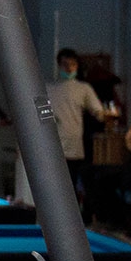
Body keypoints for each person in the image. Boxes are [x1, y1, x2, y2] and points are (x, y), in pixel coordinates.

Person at [47, 47, 111, 208]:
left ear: (77, 66)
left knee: (71, 185)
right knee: (54, 187)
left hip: (74, 145)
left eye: (73, 64)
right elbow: (41, 118)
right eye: (65, 64)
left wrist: (107, 116)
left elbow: (99, 112)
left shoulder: (83, 89)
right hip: (52, 145)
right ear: (59, 65)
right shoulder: (46, 88)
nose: (69, 68)